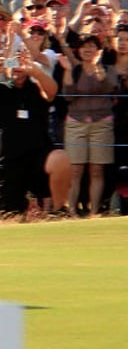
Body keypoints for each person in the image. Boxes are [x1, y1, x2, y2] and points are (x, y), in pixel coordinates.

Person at [0, 52, 72, 216]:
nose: (17, 67)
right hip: (7, 161)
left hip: (36, 157)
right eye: (13, 63)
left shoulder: (37, 88)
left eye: (21, 63)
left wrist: (36, 72)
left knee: (60, 158)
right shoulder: (0, 89)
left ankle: (59, 211)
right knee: (7, 215)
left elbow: (51, 92)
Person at [63, 33, 118, 216]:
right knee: (75, 169)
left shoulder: (108, 69)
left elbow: (110, 89)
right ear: (78, 50)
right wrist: (67, 72)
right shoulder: (74, 69)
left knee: (97, 169)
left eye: (92, 46)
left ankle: (94, 211)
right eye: (84, 46)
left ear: (98, 49)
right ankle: (71, 211)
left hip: (101, 123)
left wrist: (97, 67)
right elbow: (68, 96)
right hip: (76, 123)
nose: (88, 49)